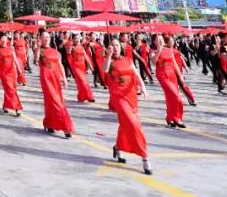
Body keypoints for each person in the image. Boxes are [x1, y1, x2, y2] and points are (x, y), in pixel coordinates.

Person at [104, 41, 152, 175]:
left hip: (131, 96)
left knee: (125, 124)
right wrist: (108, 55)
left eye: (117, 45)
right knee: (134, 124)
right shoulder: (109, 61)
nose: (114, 48)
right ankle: (145, 157)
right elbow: (104, 70)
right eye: (112, 46)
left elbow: (136, 75)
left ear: (121, 47)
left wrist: (143, 88)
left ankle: (118, 147)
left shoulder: (128, 59)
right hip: (118, 97)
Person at [37, 33, 74, 138]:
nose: (46, 39)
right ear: (40, 38)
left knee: (52, 101)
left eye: (48, 37)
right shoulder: (40, 50)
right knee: (55, 102)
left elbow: (60, 65)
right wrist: (38, 46)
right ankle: (66, 127)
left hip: (56, 79)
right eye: (43, 37)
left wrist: (64, 78)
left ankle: (50, 124)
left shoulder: (55, 51)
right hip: (46, 79)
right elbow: (36, 59)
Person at [153, 35, 186, 129]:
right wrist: (159, 50)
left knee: (170, 97)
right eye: (157, 40)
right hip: (162, 76)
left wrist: (180, 76)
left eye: (161, 39)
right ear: (154, 42)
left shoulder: (169, 50)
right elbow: (153, 62)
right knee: (176, 96)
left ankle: (170, 118)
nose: (159, 41)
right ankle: (176, 118)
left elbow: (174, 63)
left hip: (172, 75)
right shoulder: (153, 51)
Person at [0, 34, 23, 116]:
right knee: (10, 89)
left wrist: (19, 69)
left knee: (12, 89)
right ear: (0, 39)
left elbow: (15, 59)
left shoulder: (11, 48)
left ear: (7, 39)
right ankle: (17, 108)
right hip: (4, 72)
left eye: (5, 38)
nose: (4, 40)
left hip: (12, 72)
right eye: (2, 38)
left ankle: (5, 105)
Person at [68, 34, 95, 103]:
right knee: (82, 80)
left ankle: (81, 97)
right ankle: (89, 97)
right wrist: (70, 46)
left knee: (81, 82)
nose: (77, 40)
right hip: (75, 66)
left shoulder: (82, 47)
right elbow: (68, 54)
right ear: (73, 39)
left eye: (78, 38)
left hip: (82, 66)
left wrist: (91, 67)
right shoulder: (71, 47)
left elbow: (86, 57)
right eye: (75, 38)